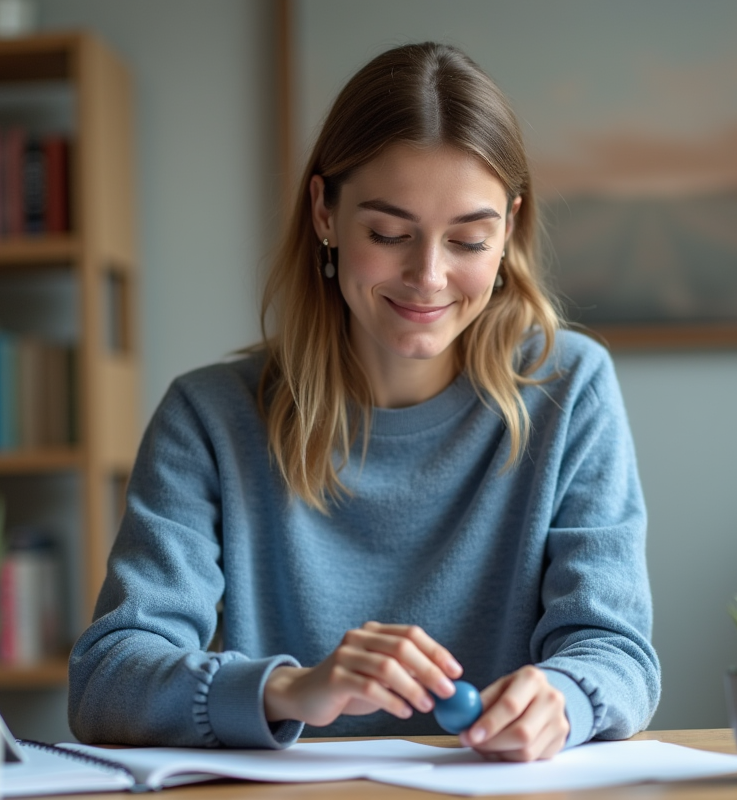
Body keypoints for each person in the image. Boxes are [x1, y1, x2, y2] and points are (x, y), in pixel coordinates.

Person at [69, 41, 659, 763]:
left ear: (510, 228)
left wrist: (565, 696)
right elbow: (105, 680)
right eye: (389, 234)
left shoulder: (571, 387)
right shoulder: (209, 418)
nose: (430, 277)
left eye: (469, 240)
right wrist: (288, 690)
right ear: (324, 212)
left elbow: (618, 652)